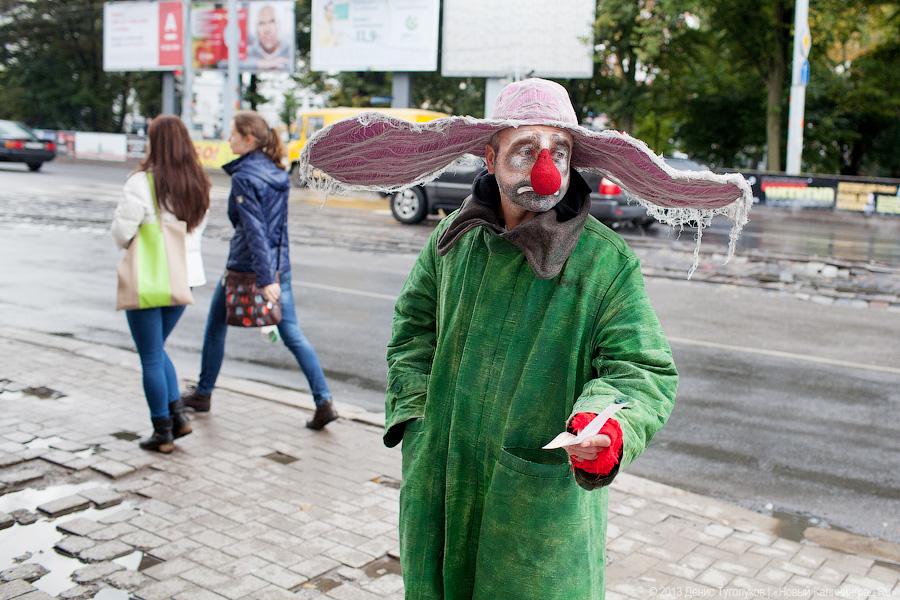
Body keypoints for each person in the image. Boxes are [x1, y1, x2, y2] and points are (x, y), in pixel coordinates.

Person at [300, 78, 752, 598]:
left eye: (559, 152)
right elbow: (413, 325)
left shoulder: (604, 263)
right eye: (526, 151)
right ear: (490, 159)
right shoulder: (454, 240)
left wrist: (605, 424)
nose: (546, 168)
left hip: (534, 506)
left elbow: (640, 371)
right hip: (440, 486)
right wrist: (418, 413)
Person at [181, 111, 338, 430]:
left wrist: (265, 279)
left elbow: (254, 230)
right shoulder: (277, 172)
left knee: (215, 326)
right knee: (291, 331)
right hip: (280, 262)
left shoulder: (245, 177)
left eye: (233, 134)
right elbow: (274, 229)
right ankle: (323, 401)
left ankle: (204, 392)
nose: (229, 139)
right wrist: (275, 272)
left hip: (247, 267)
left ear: (248, 139)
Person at [111, 115, 210, 453]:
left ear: (156, 143)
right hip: (187, 279)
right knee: (157, 349)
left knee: (150, 355)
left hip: (151, 277)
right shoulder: (199, 183)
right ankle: (178, 416)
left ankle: (162, 431)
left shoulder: (142, 183)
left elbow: (122, 234)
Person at [246, 4, 291, 71]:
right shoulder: (249, 51)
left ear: (279, 25)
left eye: (272, 21)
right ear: (256, 28)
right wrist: (265, 64)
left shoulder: (289, 50)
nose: (267, 30)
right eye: (262, 23)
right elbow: (226, 62)